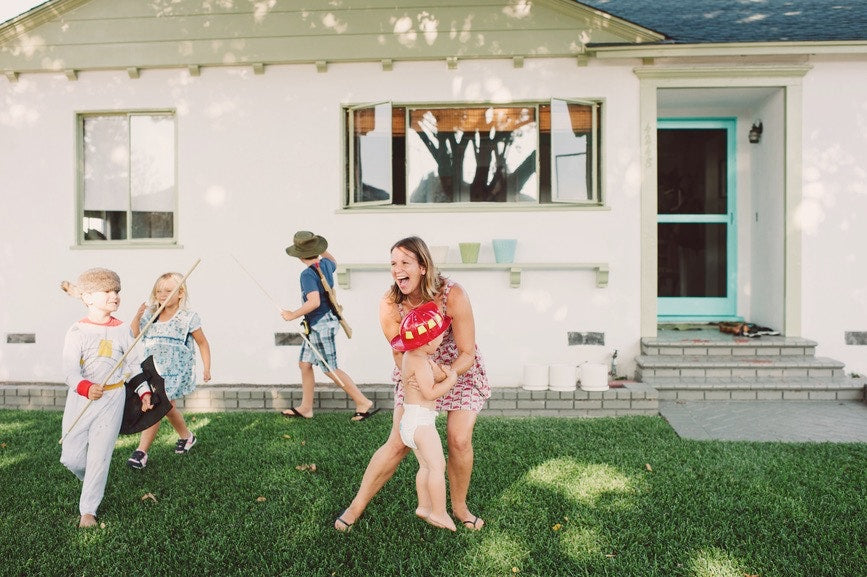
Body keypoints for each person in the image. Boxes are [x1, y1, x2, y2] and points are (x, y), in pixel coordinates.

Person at [334, 236, 491, 532]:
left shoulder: (452, 294)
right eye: (393, 263)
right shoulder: (391, 303)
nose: (397, 269)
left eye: (405, 262)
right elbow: (398, 353)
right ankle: (355, 508)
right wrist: (423, 378)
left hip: (458, 368)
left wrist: (445, 372)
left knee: (459, 440)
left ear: (422, 266)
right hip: (416, 370)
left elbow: (467, 352)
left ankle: (459, 508)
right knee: (399, 443)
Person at [60, 268, 154, 528]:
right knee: (72, 457)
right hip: (82, 399)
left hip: (112, 399)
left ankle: (88, 510)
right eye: (107, 291)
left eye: (117, 291)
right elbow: (69, 371)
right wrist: (86, 387)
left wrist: (144, 391)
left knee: (100, 455)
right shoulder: (77, 330)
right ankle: (91, 477)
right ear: (88, 298)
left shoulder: (123, 329)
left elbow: (133, 364)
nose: (114, 296)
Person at [279, 230, 378, 421]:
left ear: (299, 256)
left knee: (329, 368)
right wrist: (320, 248)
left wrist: (292, 315)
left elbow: (313, 302)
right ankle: (306, 408)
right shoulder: (325, 264)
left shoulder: (307, 275)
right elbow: (332, 259)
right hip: (320, 323)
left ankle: (362, 402)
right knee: (305, 364)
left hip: (320, 324)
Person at [126, 272, 211, 469]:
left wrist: (207, 367)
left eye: (168, 291)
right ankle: (187, 436)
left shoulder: (188, 318)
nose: (162, 295)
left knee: (157, 405)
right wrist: (137, 317)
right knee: (167, 407)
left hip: (175, 372)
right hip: (152, 370)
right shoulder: (151, 316)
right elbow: (134, 335)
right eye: (158, 291)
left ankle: (141, 452)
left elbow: (202, 343)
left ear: (181, 293)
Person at [390, 301, 458, 531]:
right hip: (422, 423)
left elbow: (425, 379)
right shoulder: (421, 361)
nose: (441, 339)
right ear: (428, 340)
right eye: (439, 336)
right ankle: (439, 513)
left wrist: (439, 372)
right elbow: (429, 392)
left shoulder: (412, 357)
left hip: (409, 422)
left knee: (425, 467)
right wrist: (450, 381)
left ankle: (423, 506)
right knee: (437, 467)